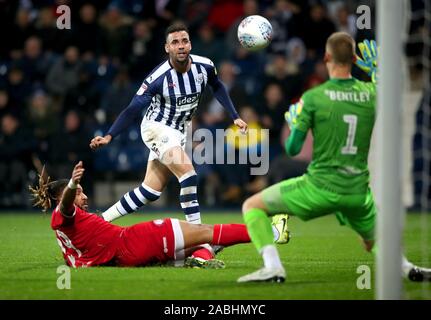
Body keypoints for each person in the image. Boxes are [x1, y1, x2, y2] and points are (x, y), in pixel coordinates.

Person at [238, 32, 431, 283]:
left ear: (327, 57)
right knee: (372, 239)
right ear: (354, 58)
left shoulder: (313, 98)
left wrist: (296, 124)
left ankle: (273, 267)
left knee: (252, 207)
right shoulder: (371, 93)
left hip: (319, 187)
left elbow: (294, 149)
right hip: (357, 191)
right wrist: (379, 71)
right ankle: (406, 267)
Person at [90, 22, 247, 225]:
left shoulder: (205, 66)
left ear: (190, 44)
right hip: (157, 128)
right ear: (167, 48)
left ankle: (99, 221)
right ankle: (200, 239)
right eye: (175, 42)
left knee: (150, 190)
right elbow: (133, 109)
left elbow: (217, 86)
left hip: (180, 130)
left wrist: (234, 115)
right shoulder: (157, 78)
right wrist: (110, 135)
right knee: (188, 174)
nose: (180, 46)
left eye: (184, 41)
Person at [29, 161, 289, 269]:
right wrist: (72, 186)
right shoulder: (62, 215)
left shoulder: (65, 237)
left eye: (82, 192)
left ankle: (201, 259)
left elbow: (77, 260)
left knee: (201, 244)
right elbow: (64, 207)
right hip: (136, 240)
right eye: (79, 194)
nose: (83, 197)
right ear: (63, 198)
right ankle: (272, 232)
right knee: (208, 231)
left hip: (127, 256)